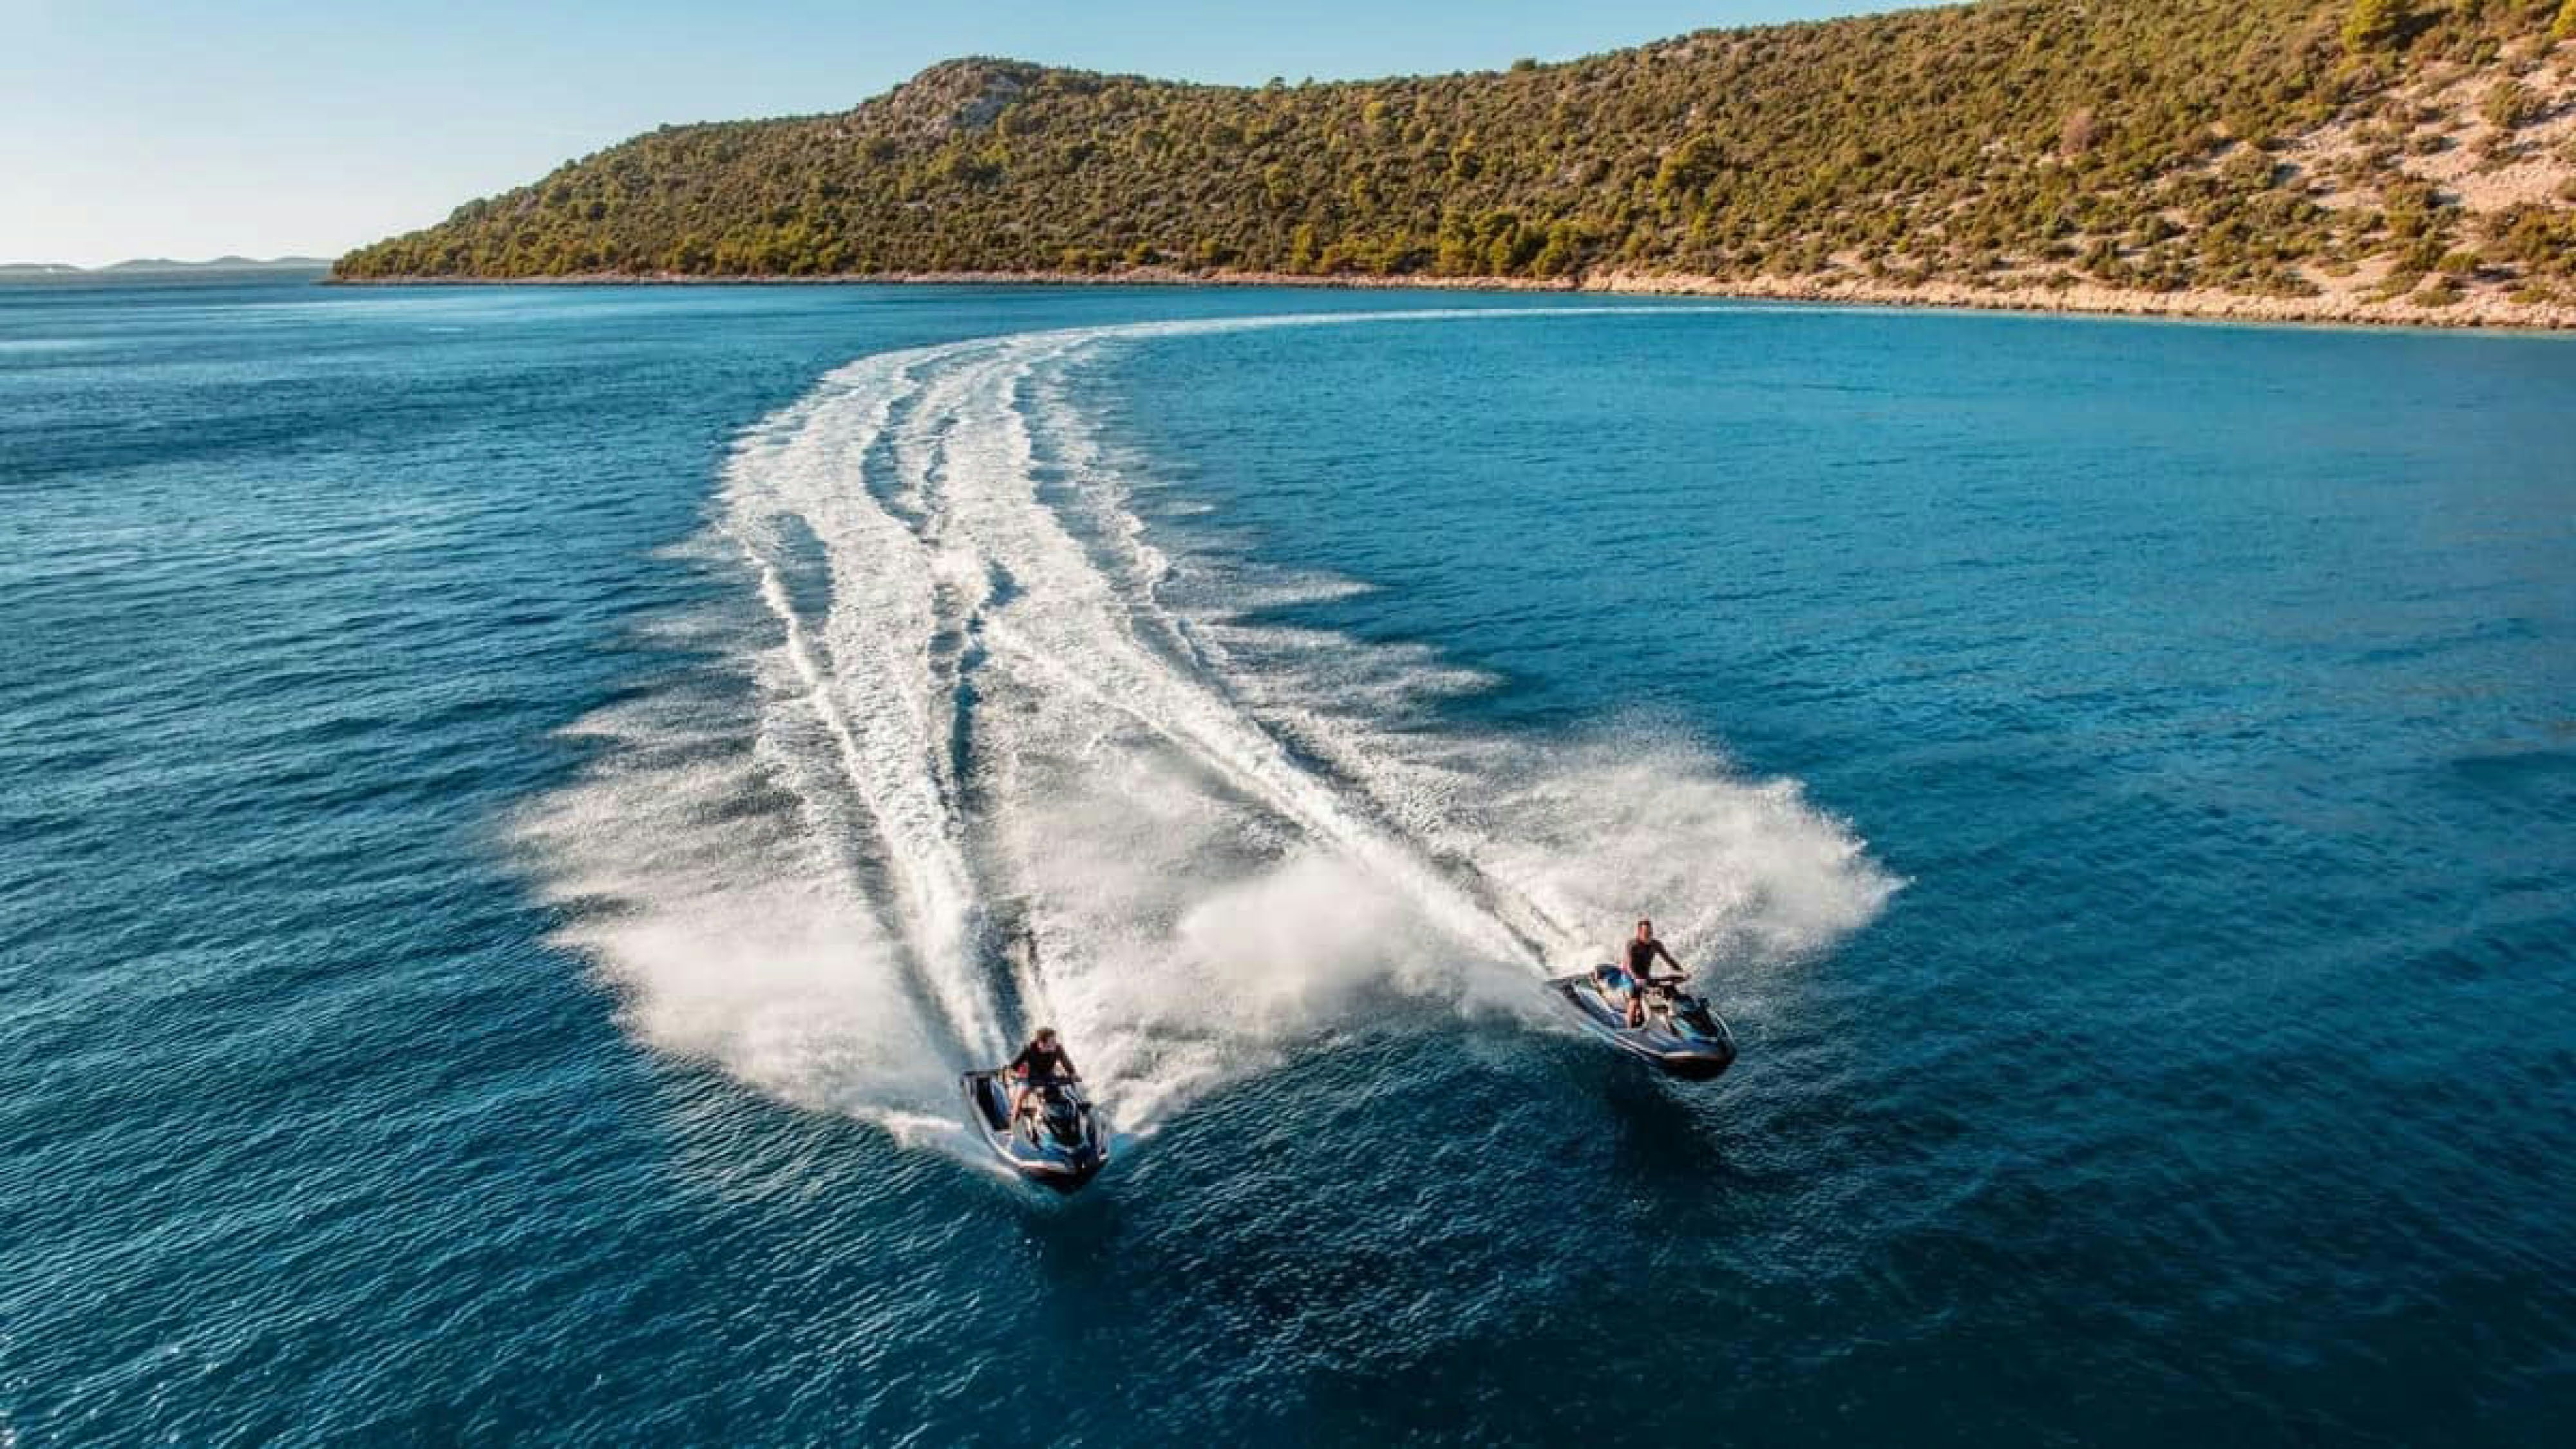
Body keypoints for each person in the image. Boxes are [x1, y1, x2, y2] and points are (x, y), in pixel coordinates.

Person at [1620, 919, 1687, 1028]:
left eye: (1650, 933)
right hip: (1629, 975)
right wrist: (1636, 978)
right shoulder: (1633, 945)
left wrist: (1681, 972)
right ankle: (1630, 1028)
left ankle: (1677, 1020)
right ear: (1639, 933)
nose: (1649, 936)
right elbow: (1629, 966)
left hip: (1644, 976)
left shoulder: (1656, 944)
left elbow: (1669, 960)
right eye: (1646, 933)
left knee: (1669, 987)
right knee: (1635, 999)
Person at [1007, 1027, 1079, 1125]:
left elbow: (1067, 1063)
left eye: (1055, 1041)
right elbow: (1015, 1066)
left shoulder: (1058, 1049)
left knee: (1064, 1090)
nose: (1055, 1043)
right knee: (1019, 1097)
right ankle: (1013, 1123)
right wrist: (1014, 1075)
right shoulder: (1029, 1049)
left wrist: (1073, 1074)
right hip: (1031, 1078)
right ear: (1041, 1044)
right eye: (1052, 1042)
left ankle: (1071, 1115)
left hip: (1048, 1076)